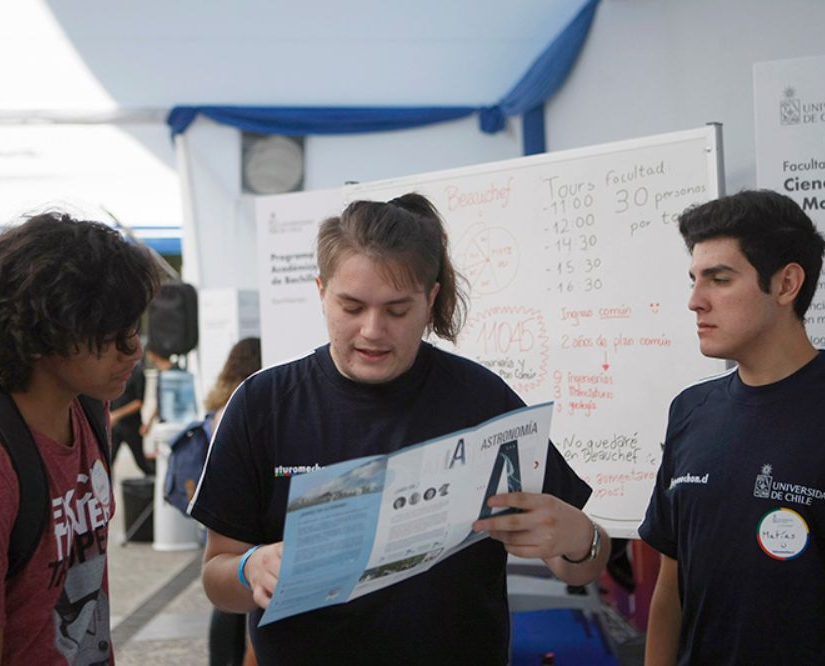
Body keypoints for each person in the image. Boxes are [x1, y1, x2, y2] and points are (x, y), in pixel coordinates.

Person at [189, 193, 609, 665]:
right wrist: (251, 569)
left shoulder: (481, 399)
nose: (372, 330)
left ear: (429, 301)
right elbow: (216, 577)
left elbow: (581, 562)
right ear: (321, 291)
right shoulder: (263, 404)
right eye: (351, 307)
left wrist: (581, 538)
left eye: (396, 310)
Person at [0, 212, 159, 664]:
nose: (133, 347)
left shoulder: (88, 408)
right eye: (110, 332)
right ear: (40, 334)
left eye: (132, 326)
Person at [639, 190, 825, 664]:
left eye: (719, 279)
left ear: (786, 284)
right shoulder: (691, 409)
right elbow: (672, 586)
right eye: (694, 280)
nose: (694, 301)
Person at [202, 337, 262, 666]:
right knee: (232, 591)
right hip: (230, 507)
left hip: (215, 505)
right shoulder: (245, 406)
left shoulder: (224, 402)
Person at [110, 362, 154, 475]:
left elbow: (139, 402)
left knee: (141, 462)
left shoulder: (138, 372)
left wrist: (116, 415)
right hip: (114, 426)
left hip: (131, 425)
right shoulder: (112, 370)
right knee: (107, 463)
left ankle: (156, 482)